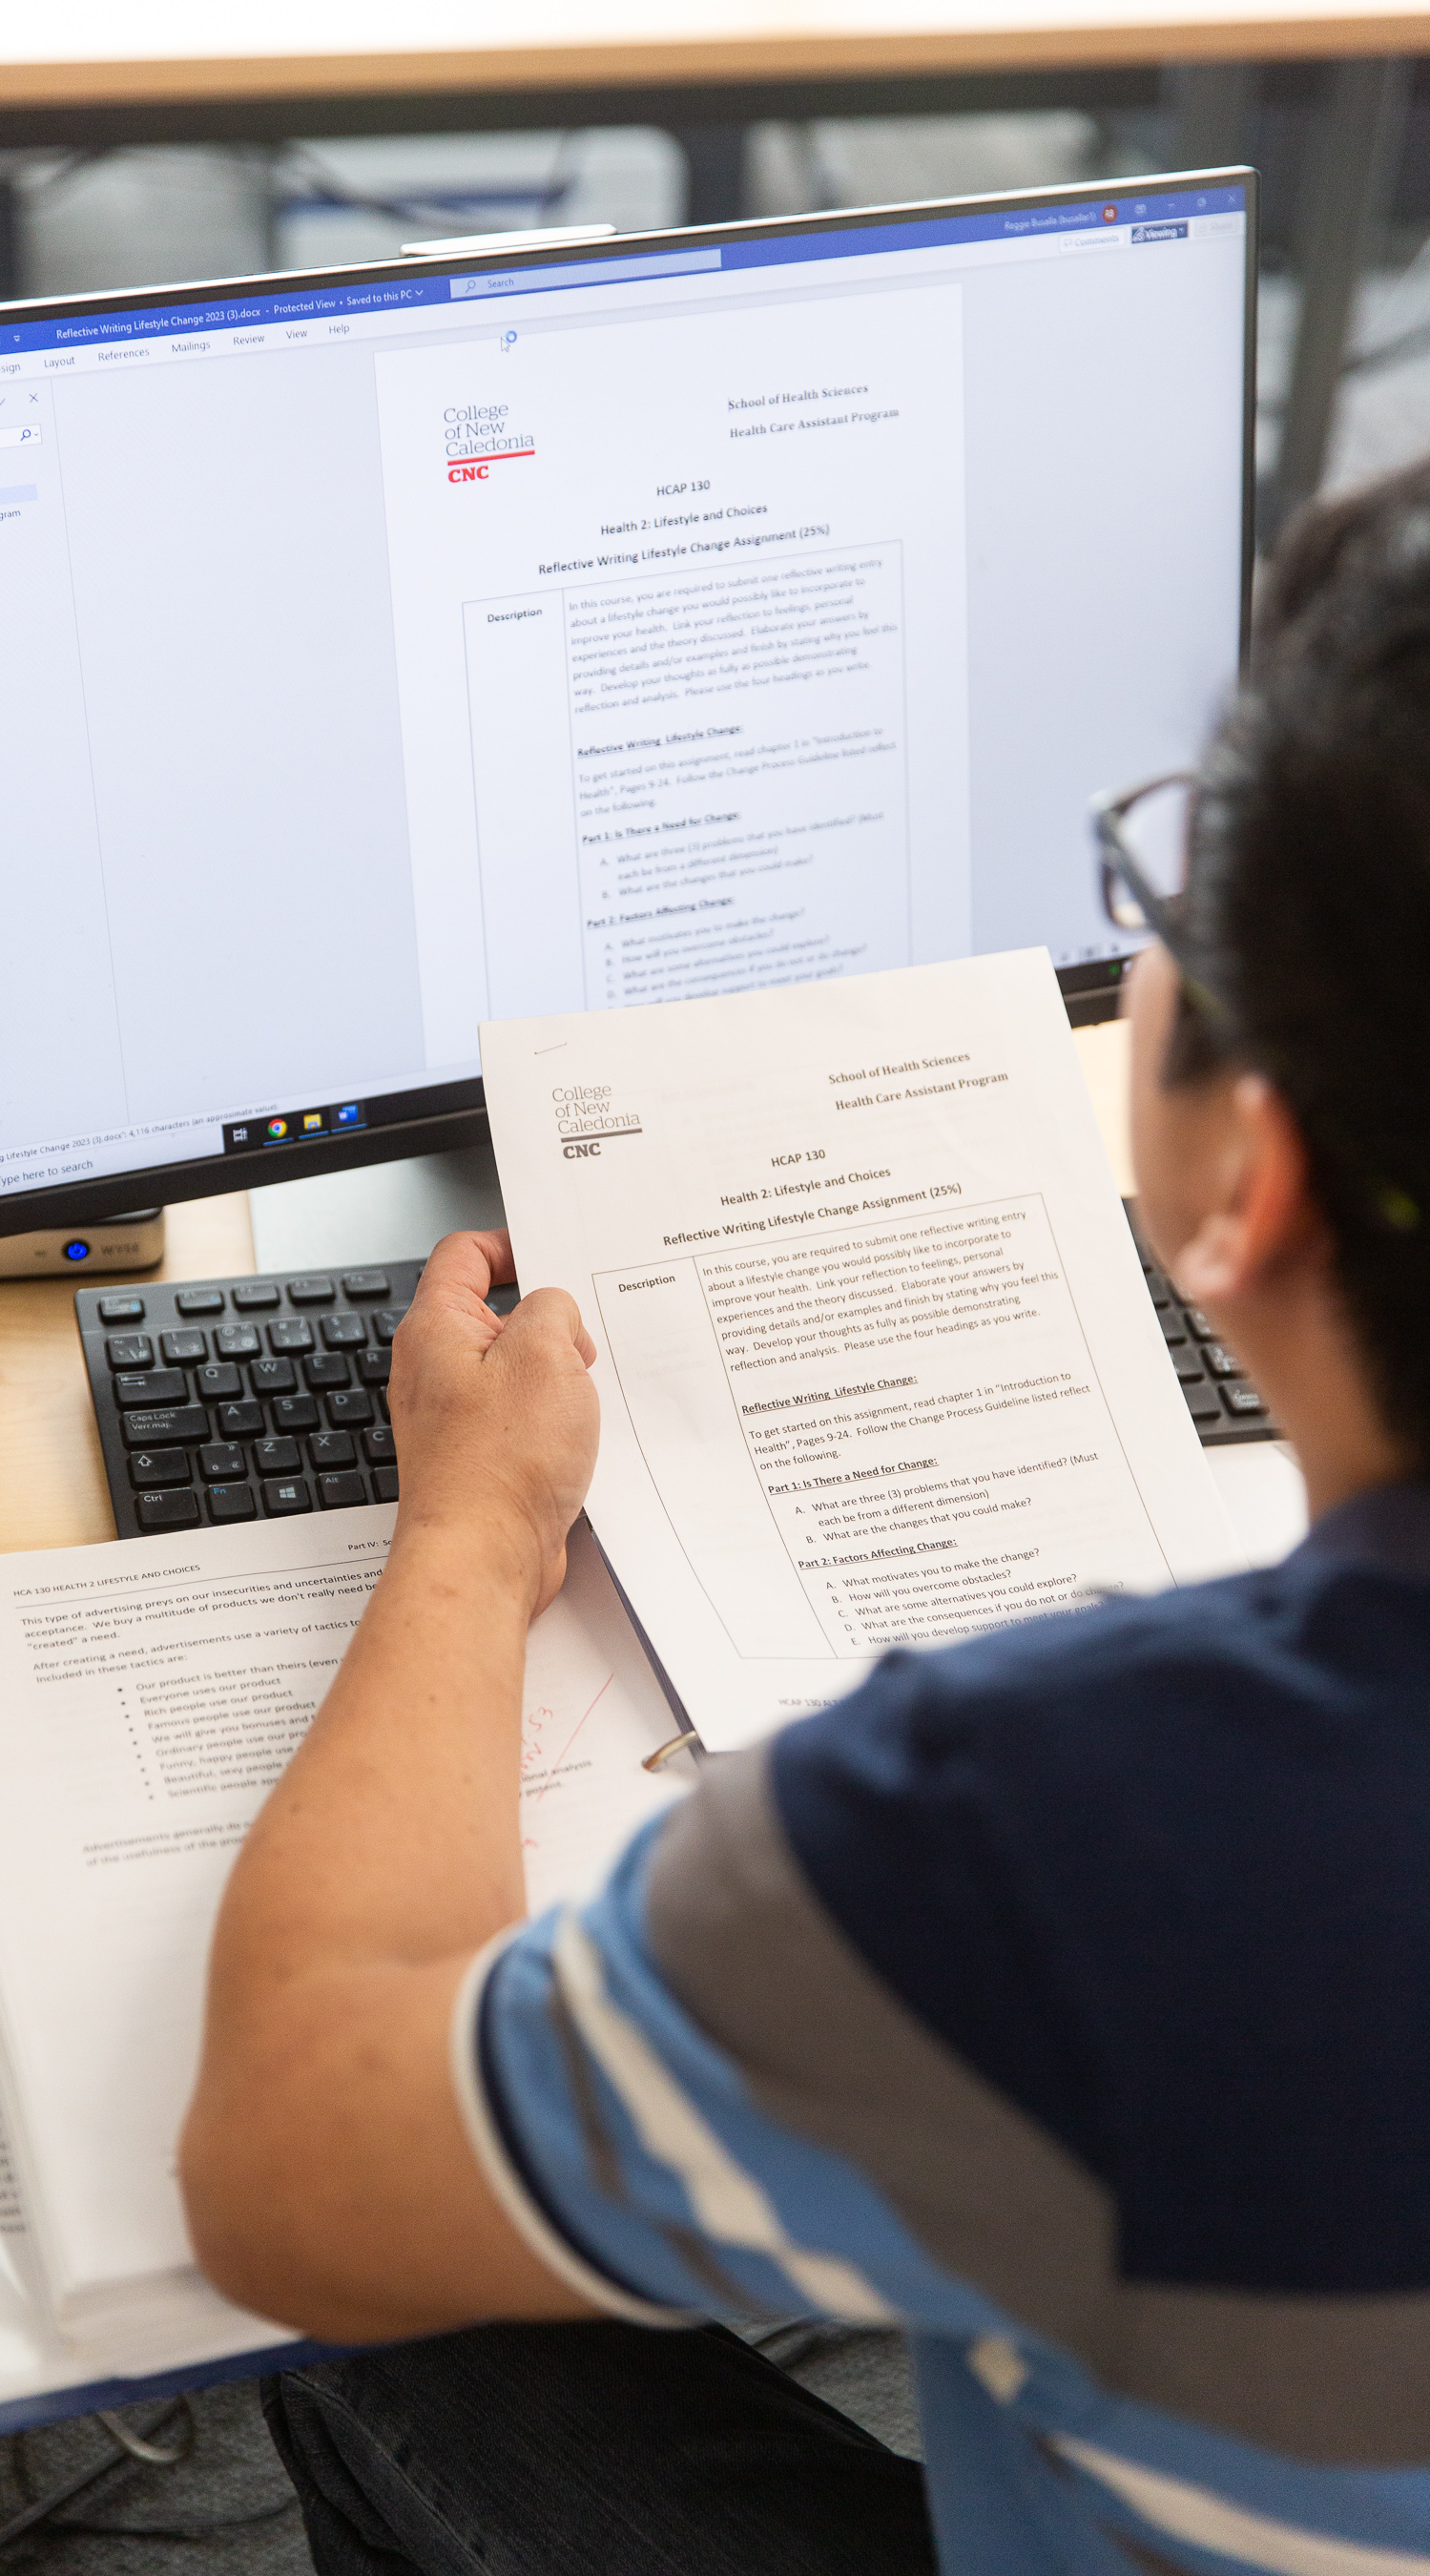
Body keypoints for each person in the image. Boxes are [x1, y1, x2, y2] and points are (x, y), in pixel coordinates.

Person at [179, 458, 1430, 2576]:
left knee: (396, 2298)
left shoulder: (1040, 1824)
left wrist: (473, 1540)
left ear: (1261, 1178)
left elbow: (286, 2156)